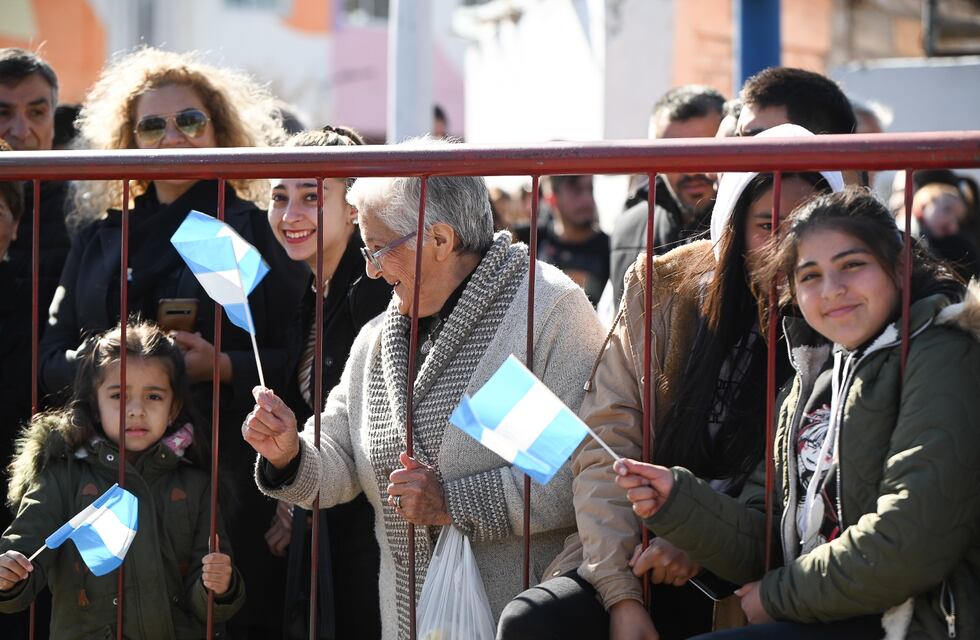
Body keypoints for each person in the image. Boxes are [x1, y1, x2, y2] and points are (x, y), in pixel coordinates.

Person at [243, 142, 606, 639]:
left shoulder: (544, 312)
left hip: (518, 617)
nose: (369, 268)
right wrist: (288, 453)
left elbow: (579, 476)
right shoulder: (379, 337)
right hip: (407, 620)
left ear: (439, 239)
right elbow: (341, 463)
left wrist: (451, 501)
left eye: (378, 247)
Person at [497, 124, 843, 640]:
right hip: (636, 550)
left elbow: (784, 494)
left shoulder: (842, 319)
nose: (785, 248)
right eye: (766, 225)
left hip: (754, 568)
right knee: (533, 621)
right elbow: (608, 442)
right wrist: (621, 595)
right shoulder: (665, 288)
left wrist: (696, 539)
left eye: (803, 225)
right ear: (731, 226)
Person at [617, 187, 980, 638]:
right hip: (828, 612)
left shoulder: (943, 351)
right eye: (809, 275)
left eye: (852, 265)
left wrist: (778, 596)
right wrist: (680, 502)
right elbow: (773, 539)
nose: (832, 290)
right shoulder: (813, 372)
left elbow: (909, 543)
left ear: (900, 266)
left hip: (913, 623)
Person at [39, 46, 307, 638]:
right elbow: (48, 355)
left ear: (220, 129)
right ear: (128, 138)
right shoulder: (102, 237)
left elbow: (303, 355)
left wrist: (226, 367)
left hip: (223, 477)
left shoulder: (249, 227)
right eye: (151, 125)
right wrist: (109, 374)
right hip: (100, 481)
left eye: (189, 120)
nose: (170, 137)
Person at [0, 320, 245, 638]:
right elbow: (24, 558)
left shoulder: (197, 484)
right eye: (118, 395)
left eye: (154, 396)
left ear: (174, 408)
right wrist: (8, 574)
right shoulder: (61, 476)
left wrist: (220, 585)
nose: (136, 410)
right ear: (95, 405)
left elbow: (210, 605)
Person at [265, 126, 391, 640]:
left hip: (372, 535)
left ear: (354, 207)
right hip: (323, 526)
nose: (291, 215)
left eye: (312, 197)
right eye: (279, 197)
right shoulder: (309, 294)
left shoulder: (379, 293)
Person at [611, 85, 726, 308]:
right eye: (675, 155)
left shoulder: (750, 226)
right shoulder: (629, 227)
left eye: (706, 153)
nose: (692, 171)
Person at [518, 174, 610, 306]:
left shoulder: (610, 247)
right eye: (576, 190)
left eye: (590, 189)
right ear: (552, 198)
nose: (587, 199)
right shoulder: (534, 238)